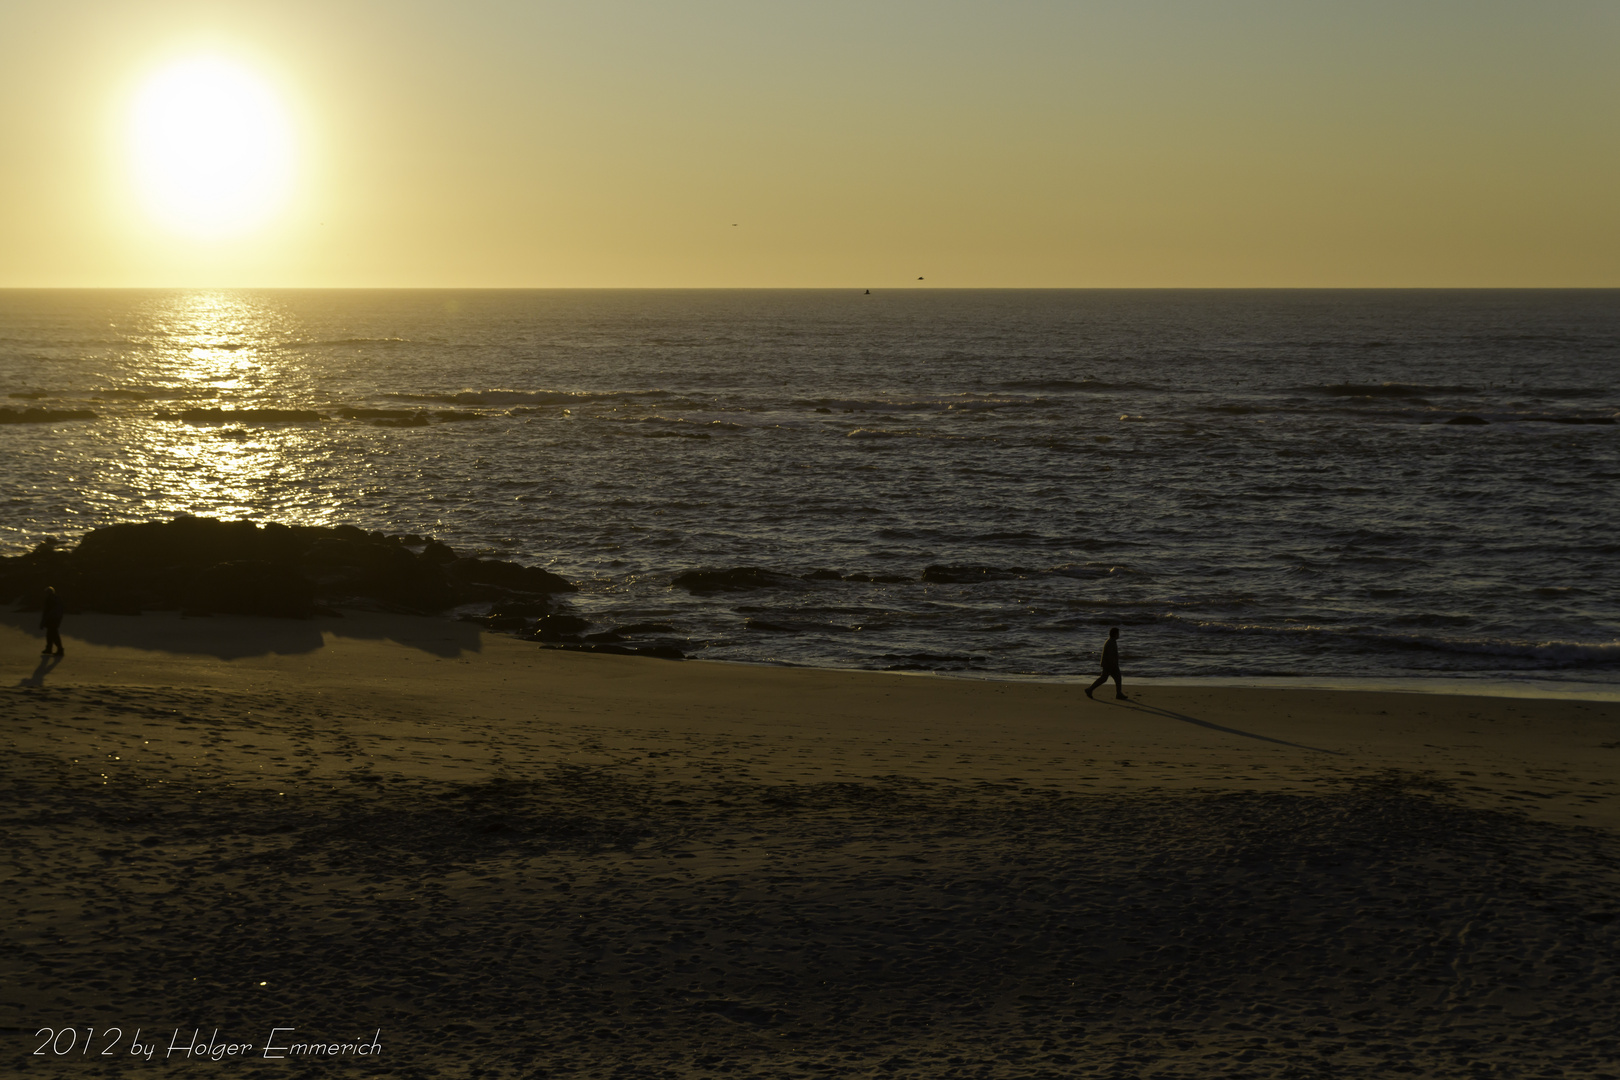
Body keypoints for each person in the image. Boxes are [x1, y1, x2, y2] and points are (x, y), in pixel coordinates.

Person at [1085, 626, 1126, 700]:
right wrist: (1114, 666)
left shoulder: (1111, 641)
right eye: (1118, 633)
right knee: (1109, 678)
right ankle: (1090, 689)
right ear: (1115, 634)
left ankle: (1118, 693)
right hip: (1109, 665)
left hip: (1109, 664)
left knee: (1107, 678)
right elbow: (1110, 656)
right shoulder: (1111, 642)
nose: (1119, 635)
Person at [40, 585, 64, 656]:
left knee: (53, 635)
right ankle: (50, 648)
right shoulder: (56, 599)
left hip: (52, 620)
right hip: (55, 619)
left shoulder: (50, 600)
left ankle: (59, 649)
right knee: (50, 634)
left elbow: (48, 612)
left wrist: (43, 622)